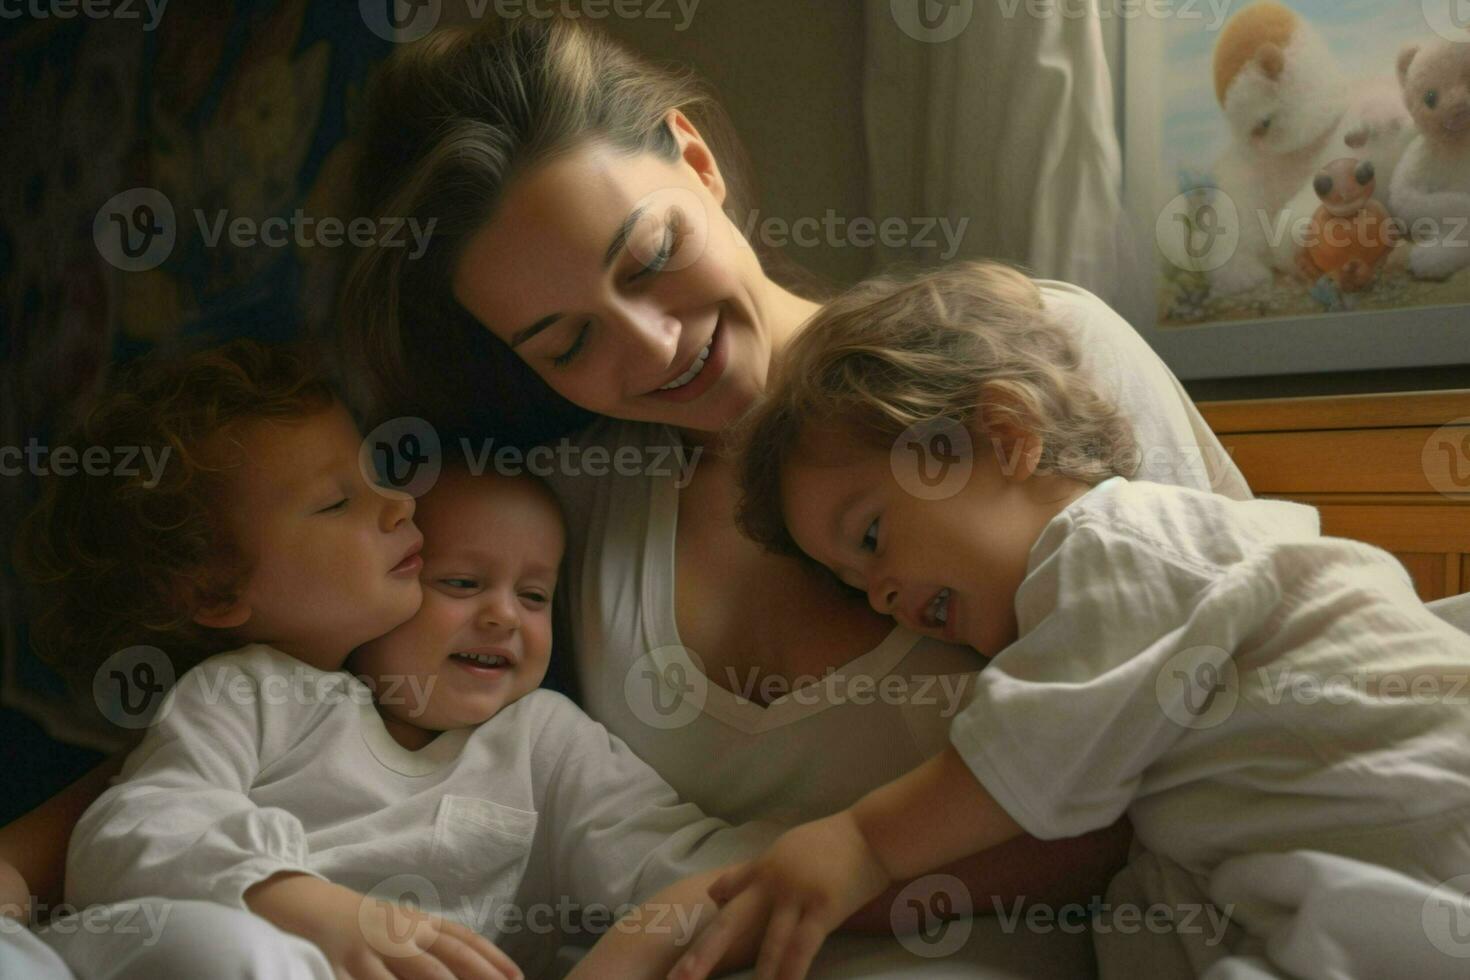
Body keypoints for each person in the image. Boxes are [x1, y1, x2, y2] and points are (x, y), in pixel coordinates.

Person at [3, 16, 1250, 977]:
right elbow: (283, 698)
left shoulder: (1028, 363)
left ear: (694, 160)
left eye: (649, 259)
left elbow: (1226, 704)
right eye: (564, 341)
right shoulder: (559, 507)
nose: (649, 349)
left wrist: (723, 908)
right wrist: (17, 862)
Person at [664, 261, 1470, 980]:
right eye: (852, 584)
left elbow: (1023, 757)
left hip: (1417, 816)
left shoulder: (1118, 544)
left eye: (871, 537)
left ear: (1007, 433)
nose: (878, 595)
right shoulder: (1077, 628)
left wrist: (861, 844)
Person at [5, 340, 776, 980]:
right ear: (215, 590)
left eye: (536, 596)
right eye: (460, 581)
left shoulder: (544, 744)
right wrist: (298, 902)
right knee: (225, 951)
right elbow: (133, 828)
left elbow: (676, 857)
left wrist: (859, 852)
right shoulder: (250, 695)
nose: (398, 507)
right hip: (171, 955)